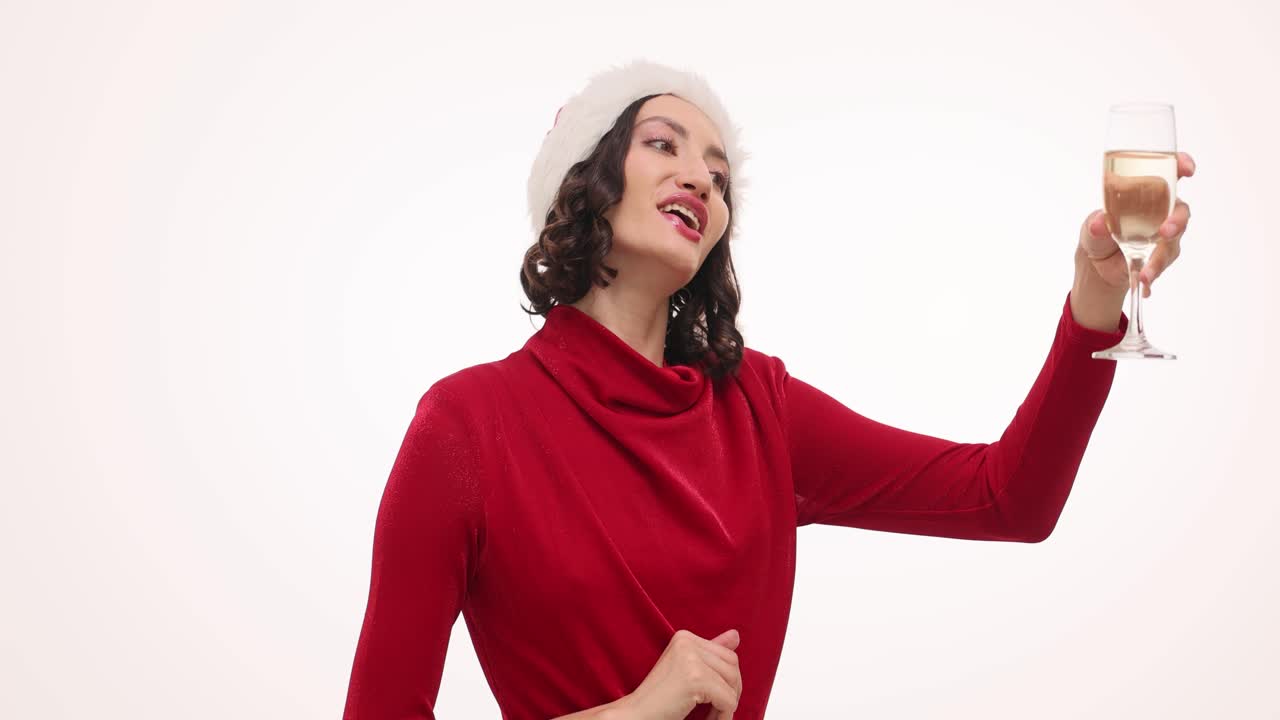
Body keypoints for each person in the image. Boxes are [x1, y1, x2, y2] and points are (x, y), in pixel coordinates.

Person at [342, 60, 1196, 720]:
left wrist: (1096, 303)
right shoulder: (466, 427)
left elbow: (1009, 499)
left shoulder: (760, 410)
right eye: (662, 144)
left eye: (718, 174)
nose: (701, 181)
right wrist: (639, 710)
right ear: (586, 178)